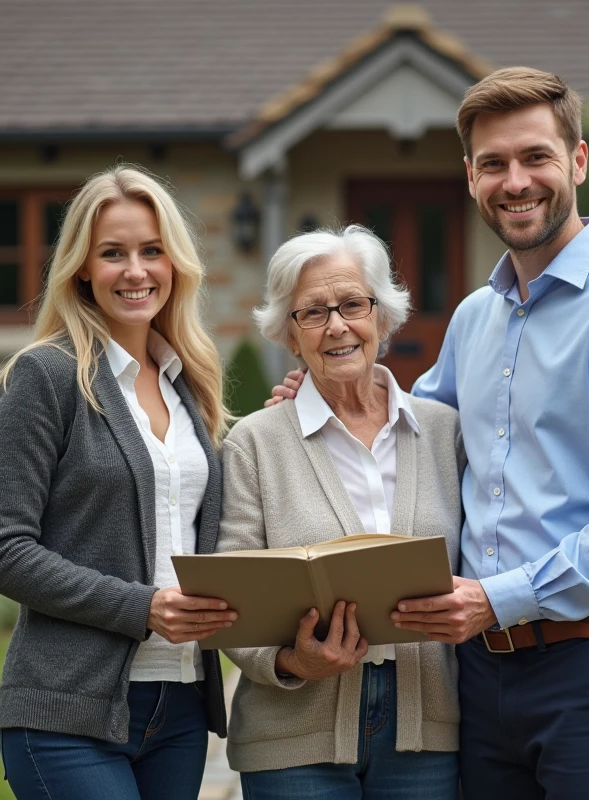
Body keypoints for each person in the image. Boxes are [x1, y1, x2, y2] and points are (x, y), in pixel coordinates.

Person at [271, 67, 589, 799]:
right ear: (470, 177)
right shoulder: (478, 317)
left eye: (536, 157)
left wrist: (497, 600)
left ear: (578, 161)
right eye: (494, 164)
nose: (516, 182)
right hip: (478, 676)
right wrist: (326, 385)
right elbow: (410, 423)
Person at [0, 165, 236, 800]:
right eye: (113, 253)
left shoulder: (189, 383)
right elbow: (0, 550)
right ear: (82, 268)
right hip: (65, 710)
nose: (136, 271)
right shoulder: (45, 377)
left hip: (178, 708)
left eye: (152, 251)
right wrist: (141, 608)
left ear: (175, 264)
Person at [218, 225, 463, 799]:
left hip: (424, 732)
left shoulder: (443, 432)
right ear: (289, 334)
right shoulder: (255, 443)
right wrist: (289, 661)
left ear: (382, 316)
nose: (337, 326)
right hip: (293, 734)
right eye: (313, 312)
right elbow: (230, 593)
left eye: (353, 304)